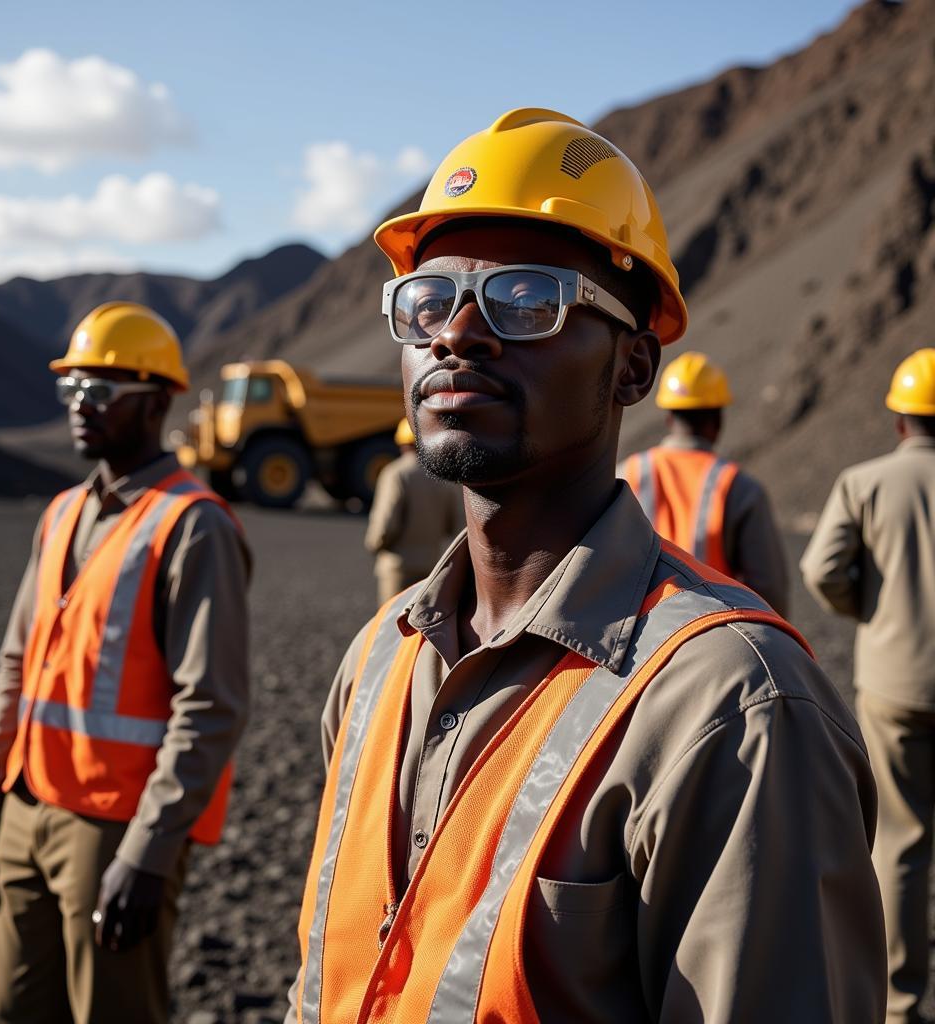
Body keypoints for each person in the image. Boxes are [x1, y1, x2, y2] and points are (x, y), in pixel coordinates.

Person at [287, 108, 884, 1023]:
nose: (458, 334)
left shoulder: (737, 712)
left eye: (527, 300)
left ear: (632, 367)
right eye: (429, 300)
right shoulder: (378, 660)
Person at [0, 302, 251, 1024]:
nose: (78, 408)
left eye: (98, 392)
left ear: (153, 402)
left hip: (115, 828)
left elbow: (209, 708)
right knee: (12, 1010)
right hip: (26, 806)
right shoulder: (60, 514)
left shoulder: (194, 526)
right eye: (70, 391)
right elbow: (14, 669)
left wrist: (148, 854)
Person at [801, 347, 935, 1024]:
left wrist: (873, 613)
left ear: (897, 420)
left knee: (903, 845)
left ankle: (903, 1003)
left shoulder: (865, 481)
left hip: (895, 684)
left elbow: (822, 569)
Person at [618, 350, 789, 615]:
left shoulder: (625, 474)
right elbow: (769, 590)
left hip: (633, 635)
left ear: (669, 418)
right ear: (718, 420)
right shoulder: (739, 487)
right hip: (712, 633)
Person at [364, 417, 464, 606]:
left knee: (391, 629)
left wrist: (374, 544)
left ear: (402, 443)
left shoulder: (397, 473)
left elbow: (386, 524)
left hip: (398, 566)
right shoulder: (444, 477)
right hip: (431, 567)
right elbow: (456, 525)